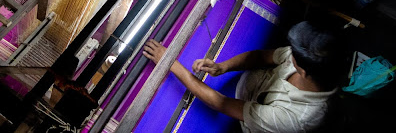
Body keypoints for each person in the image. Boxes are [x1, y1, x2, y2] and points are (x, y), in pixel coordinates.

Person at [143, 21, 341, 132]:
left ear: (303, 71)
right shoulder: (316, 58)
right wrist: (223, 67)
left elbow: (221, 103)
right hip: (250, 87)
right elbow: (262, 57)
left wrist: (170, 62)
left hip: (252, 121)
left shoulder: (293, 119)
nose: (290, 52)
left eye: (294, 55)